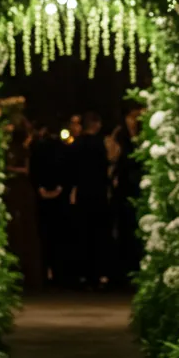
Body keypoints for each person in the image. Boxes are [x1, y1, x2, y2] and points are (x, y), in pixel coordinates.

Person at [70, 110, 111, 288]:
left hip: (82, 190)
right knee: (98, 232)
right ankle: (98, 272)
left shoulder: (78, 143)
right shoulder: (99, 144)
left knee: (82, 232)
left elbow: (72, 167)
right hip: (98, 191)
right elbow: (105, 166)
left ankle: (82, 273)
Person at [3, 118, 42, 290]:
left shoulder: (16, 151)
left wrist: (9, 169)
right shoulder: (20, 150)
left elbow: (25, 169)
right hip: (19, 190)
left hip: (17, 189)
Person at [29, 122, 67, 286]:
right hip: (59, 195)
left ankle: (44, 273)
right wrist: (61, 187)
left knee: (44, 235)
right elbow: (67, 168)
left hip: (43, 194)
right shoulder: (63, 149)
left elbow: (34, 169)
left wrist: (40, 187)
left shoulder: (38, 148)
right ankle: (60, 273)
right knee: (59, 236)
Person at [110, 105, 143, 284]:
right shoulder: (120, 133)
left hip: (136, 182)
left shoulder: (141, 131)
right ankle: (123, 270)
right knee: (124, 225)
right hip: (124, 184)